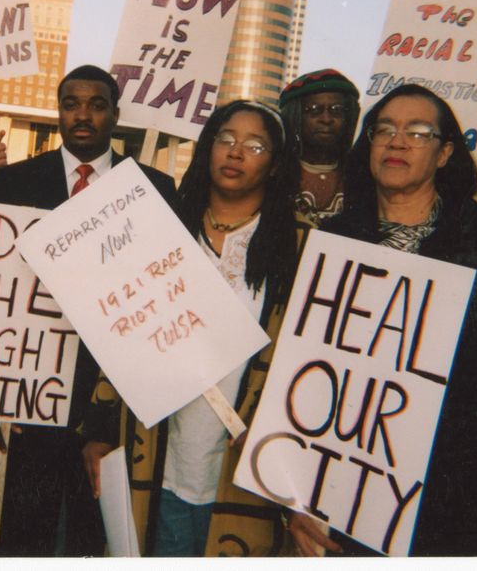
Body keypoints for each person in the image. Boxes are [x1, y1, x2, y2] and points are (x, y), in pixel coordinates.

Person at [289, 83, 477, 556]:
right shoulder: (337, 236)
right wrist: (297, 497)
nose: (397, 141)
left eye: (418, 131)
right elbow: (303, 375)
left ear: (445, 153)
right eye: (383, 129)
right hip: (343, 491)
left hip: (450, 495)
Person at [82, 100, 310, 556]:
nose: (236, 151)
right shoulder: (162, 229)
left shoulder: (299, 247)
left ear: (275, 164)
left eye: (254, 144)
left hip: (242, 471)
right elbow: (122, 331)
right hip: (158, 456)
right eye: (225, 139)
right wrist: (99, 431)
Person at [0, 64, 179, 556]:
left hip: (112, 402)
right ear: (58, 111)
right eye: (72, 103)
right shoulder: (12, 183)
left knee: (95, 542)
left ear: (115, 114)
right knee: (22, 539)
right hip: (31, 393)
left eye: (96, 105)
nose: (83, 115)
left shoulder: (154, 187)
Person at [277, 68, 360, 226]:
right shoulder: (275, 171)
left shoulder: (360, 175)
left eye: (337, 110)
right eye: (314, 110)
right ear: (295, 116)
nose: (326, 119)